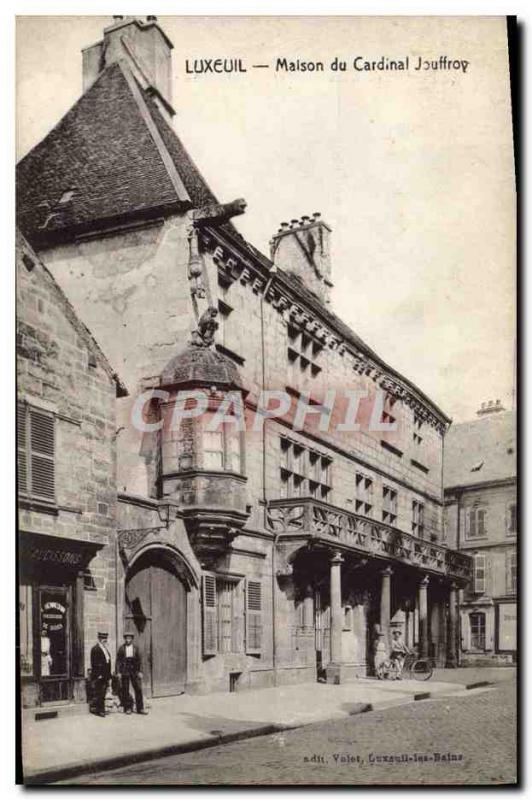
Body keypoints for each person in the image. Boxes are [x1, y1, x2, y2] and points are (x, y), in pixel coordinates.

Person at [116, 633, 148, 715]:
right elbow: (118, 661)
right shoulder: (121, 648)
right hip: (125, 670)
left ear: (132, 639)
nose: (128, 640)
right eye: (126, 638)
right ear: (125, 639)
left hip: (134, 670)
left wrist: (140, 671)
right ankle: (128, 708)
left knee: (138, 689)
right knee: (125, 689)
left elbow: (140, 660)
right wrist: (118, 672)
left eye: (129, 638)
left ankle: (140, 708)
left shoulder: (136, 648)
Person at [90, 631, 112, 717]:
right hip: (99, 675)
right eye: (103, 638)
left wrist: (109, 674)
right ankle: (100, 710)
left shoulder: (105, 648)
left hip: (105, 674)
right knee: (100, 693)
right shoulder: (95, 649)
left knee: (103, 692)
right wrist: (98, 674)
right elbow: (94, 663)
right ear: (99, 639)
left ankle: (101, 709)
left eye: (105, 638)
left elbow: (107, 662)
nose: (104, 640)